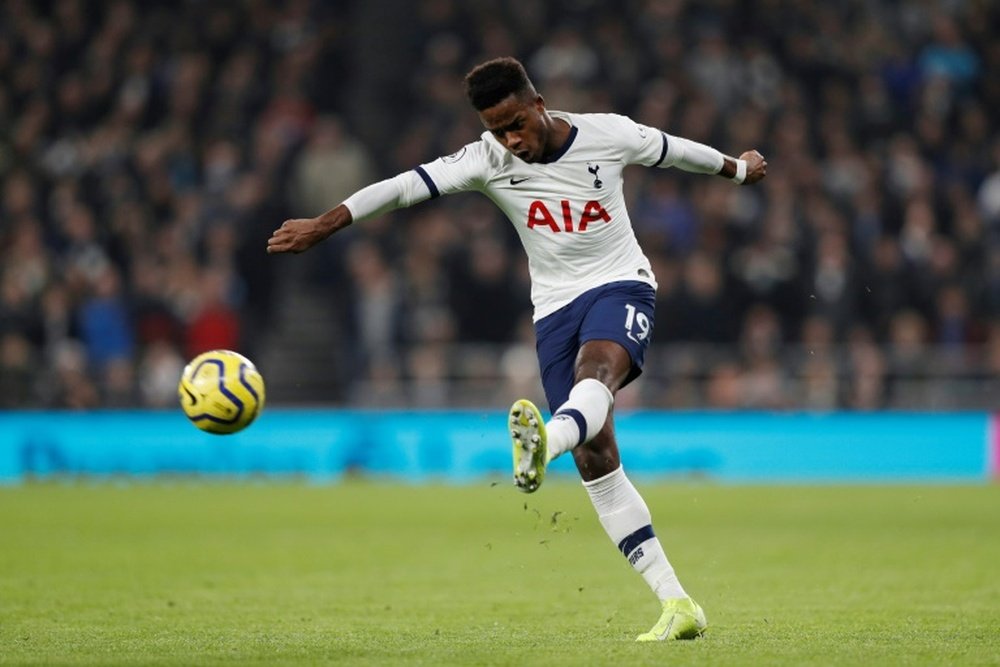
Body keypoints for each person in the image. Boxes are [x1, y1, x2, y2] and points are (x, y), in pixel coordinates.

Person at [267, 56, 766, 641]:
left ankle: (546, 441)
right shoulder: (486, 158)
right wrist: (325, 225)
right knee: (598, 460)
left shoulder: (608, 133)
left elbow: (676, 150)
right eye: (496, 129)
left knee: (596, 375)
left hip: (621, 282)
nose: (509, 140)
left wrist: (737, 169)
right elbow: (404, 187)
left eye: (514, 124)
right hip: (554, 310)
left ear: (538, 103)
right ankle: (679, 605)